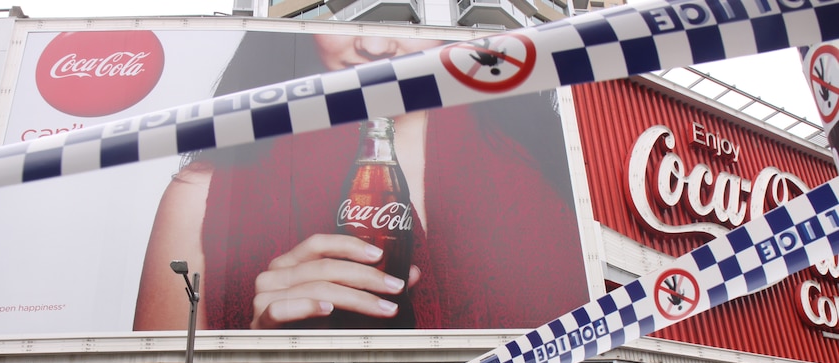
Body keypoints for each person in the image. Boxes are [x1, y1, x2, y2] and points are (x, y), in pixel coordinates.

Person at [133, 32, 588, 331]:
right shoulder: (202, 196)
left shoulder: (564, 166)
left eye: (408, 7)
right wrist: (259, 355)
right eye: (344, 3)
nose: (375, 43)